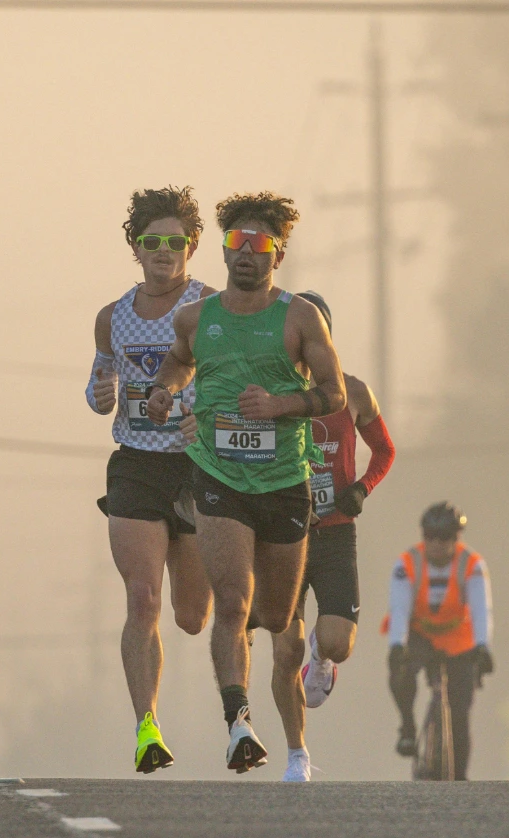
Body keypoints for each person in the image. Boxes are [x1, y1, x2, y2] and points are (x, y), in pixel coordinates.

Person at [148, 192, 346, 773]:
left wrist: (280, 403)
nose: (246, 254)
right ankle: (239, 722)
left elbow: (332, 394)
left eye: (259, 245)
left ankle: (282, 670)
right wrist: (164, 390)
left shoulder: (299, 318)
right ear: (225, 247)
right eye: (237, 243)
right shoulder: (196, 316)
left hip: (284, 480)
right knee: (231, 603)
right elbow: (178, 360)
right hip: (217, 475)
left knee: (278, 615)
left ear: (277, 254)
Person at [87, 187, 214, 774]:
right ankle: (147, 728)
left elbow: (231, 385)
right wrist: (103, 393)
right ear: (135, 247)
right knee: (143, 599)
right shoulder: (112, 317)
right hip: (135, 463)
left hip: (194, 466)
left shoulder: (209, 307)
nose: (163, 251)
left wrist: (201, 412)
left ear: (191, 246)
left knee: (193, 616)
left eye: (175, 241)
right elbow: (96, 391)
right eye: (151, 241)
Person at [266, 292, 396, 782]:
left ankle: (323, 659)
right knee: (283, 652)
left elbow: (384, 450)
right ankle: (297, 753)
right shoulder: (271, 394)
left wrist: (361, 488)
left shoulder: (355, 392)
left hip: (336, 534)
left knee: (339, 642)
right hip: (283, 534)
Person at [386, 502, 494, 781]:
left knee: (460, 712)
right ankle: (408, 728)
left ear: (457, 538)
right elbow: (399, 609)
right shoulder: (407, 563)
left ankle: (459, 777)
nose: (436, 544)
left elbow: (482, 610)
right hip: (420, 634)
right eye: (429, 536)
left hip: (459, 639)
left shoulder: (472, 565)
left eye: (445, 537)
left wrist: (483, 647)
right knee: (401, 670)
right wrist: (396, 646)